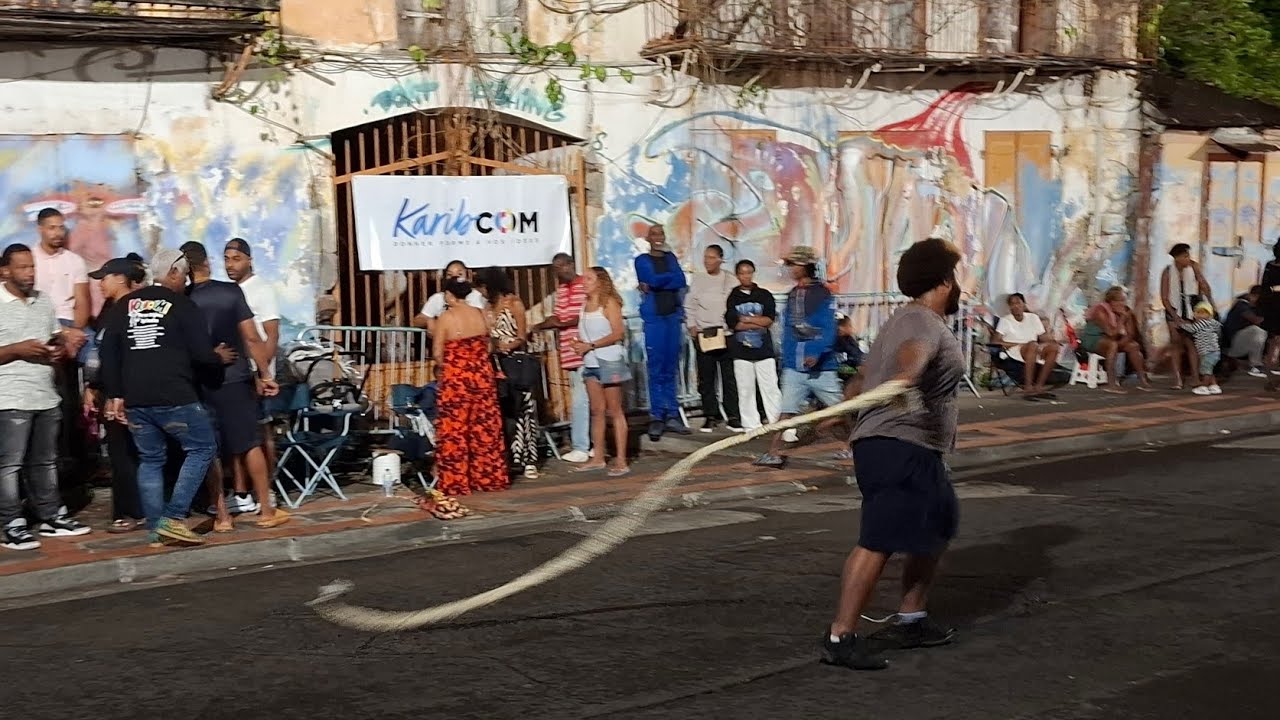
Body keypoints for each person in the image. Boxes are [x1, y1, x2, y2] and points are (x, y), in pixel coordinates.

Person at [821, 237, 966, 672]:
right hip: (898, 446)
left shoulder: (898, 320)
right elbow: (909, 364)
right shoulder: (922, 324)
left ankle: (911, 619)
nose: (957, 286)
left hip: (907, 446)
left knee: (938, 522)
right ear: (943, 281)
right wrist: (906, 378)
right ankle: (840, 636)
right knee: (879, 539)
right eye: (954, 277)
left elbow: (861, 379)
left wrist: (844, 420)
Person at [99, 248, 227, 546]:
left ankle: (157, 530)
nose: (186, 281)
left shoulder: (123, 306)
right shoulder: (182, 305)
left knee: (150, 459)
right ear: (172, 272)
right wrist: (217, 357)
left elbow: (109, 352)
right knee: (202, 448)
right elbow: (201, 354)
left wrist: (116, 394)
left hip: (136, 399)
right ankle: (175, 516)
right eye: (183, 275)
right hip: (175, 394)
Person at [181, 241, 285, 532]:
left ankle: (223, 516)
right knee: (249, 443)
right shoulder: (229, 292)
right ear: (208, 263)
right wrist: (265, 374)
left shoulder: (183, 299)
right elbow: (252, 337)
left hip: (199, 381)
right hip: (235, 377)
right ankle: (266, 509)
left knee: (208, 449)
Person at [0, 243, 91, 551]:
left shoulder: (44, 301)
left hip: (45, 394)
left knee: (45, 461)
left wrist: (59, 348)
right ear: (5, 271)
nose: (29, 273)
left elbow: (54, 338)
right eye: (23, 267)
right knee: (10, 464)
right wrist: (16, 350)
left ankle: (52, 516)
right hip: (10, 397)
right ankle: (12, 523)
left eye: (32, 267)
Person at [755, 246, 841, 468]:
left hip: (822, 368)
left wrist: (816, 353)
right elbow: (788, 329)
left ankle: (851, 446)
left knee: (841, 411)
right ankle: (773, 452)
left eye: (794, 264)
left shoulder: (823, 294)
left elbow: (829, 329)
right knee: (786, 411)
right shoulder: (793, 294)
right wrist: (787, 357)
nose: (791, 268)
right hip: (794, 366)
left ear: (806, 266)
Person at [29, 208, 92, 503]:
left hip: (70, 330)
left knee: (70, 403)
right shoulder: (29, 260)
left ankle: (73, 468)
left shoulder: (74, 261)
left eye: (61, 228)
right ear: (41, 229)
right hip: (40, 330)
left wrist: (73, 334)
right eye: (52, 227)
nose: (57, 233)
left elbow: (82, 305)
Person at [83, 254, 149, 533]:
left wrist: (115, 394)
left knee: (127, 455)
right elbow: (98, 356)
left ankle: (133, 512)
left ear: (121, 278)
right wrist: (92, 386)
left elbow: (123, 356)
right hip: (112, 391)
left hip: (125, 394)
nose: (100, 284)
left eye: (105, 278)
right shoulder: (109, 312)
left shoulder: (131, 310)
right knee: (122, 454)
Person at [433, 278, 509, 495]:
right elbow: (488, 347)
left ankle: (456, 481)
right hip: (482, 376)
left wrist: (449, 366)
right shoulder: (479, 314)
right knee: (484, 427)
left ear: (448, 295)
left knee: (455, 429)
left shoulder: (446, 318)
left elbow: (438, 352)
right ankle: (488, 478)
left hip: (456, 378)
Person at [224, 238, 283, 482]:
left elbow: (271, 334)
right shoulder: (229, 291)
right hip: (239, 374)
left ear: (249, 260)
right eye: (226, 259)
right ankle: (242, 489)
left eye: (236, 259)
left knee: (261, 431)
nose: (230, 265)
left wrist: (263, 373)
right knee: (238, 434)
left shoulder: (262, 289)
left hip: (258, 374)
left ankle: (267, 485)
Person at [477, 267, 539, 480]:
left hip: (516, 359)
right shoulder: (487, 307)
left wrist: (510, 345)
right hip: (496, 362)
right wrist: (495, 344)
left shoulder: (514, 303)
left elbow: (522, 334)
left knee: (524, 410)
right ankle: (510, 456)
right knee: (504, 412)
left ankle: (529, 458)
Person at [570, 267, 631, 477]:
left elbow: (617, 333)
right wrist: (580, 345)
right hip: (590, 362)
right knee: (597, 410)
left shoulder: (609, 303)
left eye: (588, 278)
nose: (583, 282)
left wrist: (592, 345)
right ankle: (598, 457)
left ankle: (621, 459)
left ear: (600, 281)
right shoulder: (585, 305)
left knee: (614, 410)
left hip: (609, 360)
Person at [531, 253, 591, 463]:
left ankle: (581, 446)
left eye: (561, 266)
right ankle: (589, 443)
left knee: (580, 400)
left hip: (585, 349)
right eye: (555, 269)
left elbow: (582, 315)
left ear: (571, 265)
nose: (559, 271)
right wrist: (539, 325)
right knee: (583, 399)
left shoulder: (586, 284)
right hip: (569, 350)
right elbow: (558, 316)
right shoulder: (562, 290)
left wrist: (559, 323)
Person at [634, 224, 689, 440]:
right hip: (655, 318)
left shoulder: (671, 258)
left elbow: (680, 280)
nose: (658, 237)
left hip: (672, 317)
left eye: (661, 234)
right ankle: (657, 416)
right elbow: (656, 280)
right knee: (656, 367)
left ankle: (673, 414)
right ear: (648, 238)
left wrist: (658, 281)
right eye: (654, 234)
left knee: (670, 367)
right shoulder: (642, 260)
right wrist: (666, 280)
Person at [685, 244, 741, 433]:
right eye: (705, 257)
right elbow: (690, 305)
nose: (707, 261)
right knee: (706, 377)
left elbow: (735, 306)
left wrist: (731, 326)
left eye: (711, 257)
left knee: (729, 377)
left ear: (720, 259)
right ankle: (711, 414)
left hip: (726, 334)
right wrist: (692, 325)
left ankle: (733, 415)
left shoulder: (730, 280)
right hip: (705, 333)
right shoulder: (698, 280)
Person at [725, 259, 781, 432]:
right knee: (745, 389)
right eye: (742, 273)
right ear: (737, 275)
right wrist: (757, 322)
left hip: (764, 350)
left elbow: (769, 320)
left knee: (770, 386)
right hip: (741, 351)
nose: (746, 276)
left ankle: (777, 422)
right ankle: (751, 425)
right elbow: (735, 324)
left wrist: (748, 319)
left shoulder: (764, 295)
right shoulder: (733, 297)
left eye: (749, 272)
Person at [1080, 286, 1152, 394]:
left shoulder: (1125, 310)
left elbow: (1131, 334)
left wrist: (1122, 342)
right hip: (1093, 339)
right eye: (1120, 301)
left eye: (1124, 300)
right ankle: (1111, 384)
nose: (1123, 304)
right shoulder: (1100, 310)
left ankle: (1143, 380)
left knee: (1134, 346)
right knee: (1112, 345)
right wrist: (1122, 318)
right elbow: (1111, 333)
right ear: (1111, 302)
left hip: (1111, 339)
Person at [1161, 243, 1213, 389]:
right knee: (1176, 343)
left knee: (1192, 344)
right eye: (1185, 256)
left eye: (1188, 255)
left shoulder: (1193, 268)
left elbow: (1205, 287)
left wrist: (1199, 274)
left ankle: (1195, 378)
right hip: (1174, 310)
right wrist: (1175, 316)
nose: (1187, 259)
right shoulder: (1167, 272)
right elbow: (1164, 297)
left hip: (1191, 310)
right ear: (1176, 257)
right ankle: (1177, 379)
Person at [993, 292, 1061, 398]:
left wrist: (1052, 340)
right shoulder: (1005, 320)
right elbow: (995, 342)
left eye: (1018, 303)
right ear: (1009, 306)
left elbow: (1042, 337)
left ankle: (1039, 386)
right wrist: (1016, 344)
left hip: (1034, 348)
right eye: (1012, 304)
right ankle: (1028, 387)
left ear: (1024, 304)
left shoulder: (1033, 318)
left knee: (1054, 348)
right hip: (1014, 351)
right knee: (1032, 345)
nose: (1015, 306)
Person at [412, 260, 486, 336]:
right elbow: (417, 321)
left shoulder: (475, 296)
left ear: (467, 277)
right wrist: (429, 321)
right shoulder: (438, 298)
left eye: (460, 274)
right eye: (449, 275)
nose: (454, 277)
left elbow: (483, 318)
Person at [1222, 285, 1267, 377]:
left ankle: (1256, 364)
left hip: (1238, 343)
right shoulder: (1241, 305)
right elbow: (1255, 320)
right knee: (1258, 331)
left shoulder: (1247, 305)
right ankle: (1255, 364)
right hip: (1232, 344)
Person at [1180, 302, 1223, 395]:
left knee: (1205, 370)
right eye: (1198, 313)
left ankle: (1204, 386)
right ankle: (1214, 385)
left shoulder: (1202, 323)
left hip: (1208, 351)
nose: (1200, 315)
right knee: (1209, 369)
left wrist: (1181, 324)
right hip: (1213, 351)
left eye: (1203, 313)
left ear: (1209, 314)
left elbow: (1191, 329)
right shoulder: (1213, 323)